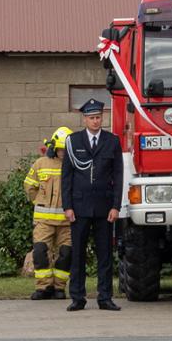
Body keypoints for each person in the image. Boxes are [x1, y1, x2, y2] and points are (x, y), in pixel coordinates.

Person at [59, 99, 123, 312]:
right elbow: (66, 176)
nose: (96, 121)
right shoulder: (73, 141)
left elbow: (118, 176)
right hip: (79, 207)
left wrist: (116, 206)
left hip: (104, 207)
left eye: (98, 117)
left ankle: (105, 297)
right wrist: (67, 206)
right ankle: (77, 297)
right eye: (92, 118)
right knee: (78, 254)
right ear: (85, 119)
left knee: (104, 255)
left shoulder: (112, 141)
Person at [24, 127, 71, 300]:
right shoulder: (40, 164)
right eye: (60, 149)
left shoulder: (74, 165)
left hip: (67, 222)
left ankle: (59, 288)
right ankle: (43, 288)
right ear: (53, 147)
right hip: (44, 220)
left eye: (66, 150)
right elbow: (29, 186)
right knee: (40, 252)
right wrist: (39, 202)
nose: (63, 153)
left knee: (66, 255)